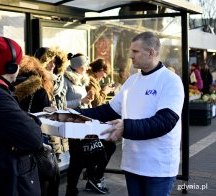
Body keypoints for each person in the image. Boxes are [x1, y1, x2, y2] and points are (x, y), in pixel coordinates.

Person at [75, 32, 184, 196]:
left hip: (158, 168)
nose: (130, 56)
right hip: (132, 165)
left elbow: (165, 122)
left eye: (135, 51)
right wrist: (72, 113)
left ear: (151, 53)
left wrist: (125, 127)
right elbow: (108, 110)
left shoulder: (170, 81)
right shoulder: (132, 81)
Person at [0, 36, 43, 196]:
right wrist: (33, 123)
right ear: (11, 68)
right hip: (9, 182)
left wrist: (26, 123)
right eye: (17, 64)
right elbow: (34, 139)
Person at [14, 55, 59, 196]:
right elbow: (45, 116)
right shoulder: (39, 89)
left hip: (12, 141)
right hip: (34, 137)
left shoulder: (8, 86)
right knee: (42, 175)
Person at [64, 53, 95, 196]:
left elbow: (82, 100)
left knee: (84, 156)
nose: (88, 67)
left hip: (83, 122)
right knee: (77, 159)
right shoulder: (65, 79)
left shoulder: (81, 79)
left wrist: (87, 99)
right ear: (79, 66)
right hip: (73, 124)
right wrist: (80, 102)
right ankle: (71, 189)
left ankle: (79, 185)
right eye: (86, 65)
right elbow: (60, 104)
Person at [84, 58, 116, 194]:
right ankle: (95, 177)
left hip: (91, 121)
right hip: (89, 121)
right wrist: (105, 91)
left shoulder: (93, 80)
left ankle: (94, 177)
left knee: (99, 149)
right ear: (100, 70)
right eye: (104, 73)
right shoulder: (90, 80)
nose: (105, 76)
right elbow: (96, 102)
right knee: (106, 147)